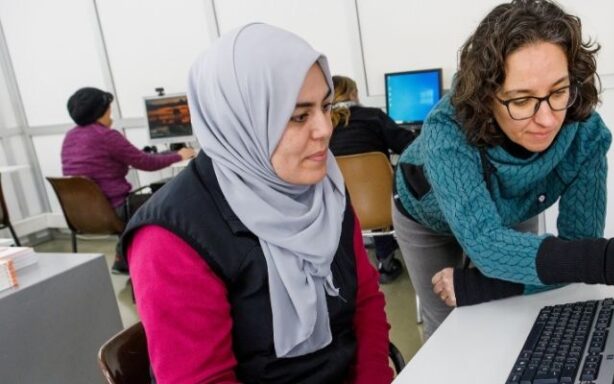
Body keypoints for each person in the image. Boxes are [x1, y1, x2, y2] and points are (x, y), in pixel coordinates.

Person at [392, 0, 614, 340]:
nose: (546, 120)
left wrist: (482, 287)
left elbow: (576, 250)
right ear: (486, 96)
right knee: (445, 326)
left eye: (558, 91)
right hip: (427, 216)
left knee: (517, 306)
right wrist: (612, 260)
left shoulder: (587, 134)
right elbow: (489, 246)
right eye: (521, 100)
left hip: (510, 206)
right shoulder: (447, 130)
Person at [120, 24, 393, 383]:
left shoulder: (324, 188)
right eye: (299, 115)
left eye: (326, 107)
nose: (325, 128)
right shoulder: (171, 238)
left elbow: (365, 301)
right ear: (240, 120)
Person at [62, 87, 195, 272]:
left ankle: (122, 259)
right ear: (100, 112)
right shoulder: (107, 136)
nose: (111, 116)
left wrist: (170, 153)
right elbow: (146, 163)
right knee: (172, 200)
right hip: (113, 209)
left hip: (79, 215)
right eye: (109, 111)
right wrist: (179, 156)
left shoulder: (70, 137)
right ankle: (173, 260)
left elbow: (138, 157)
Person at [329, 75, 415, 284]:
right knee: (387, 187)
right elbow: (410, 148)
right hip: (382, 209)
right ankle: (385, 262)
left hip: (339, 210)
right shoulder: (373, 116)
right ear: (353, 94)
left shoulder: (323, 125)